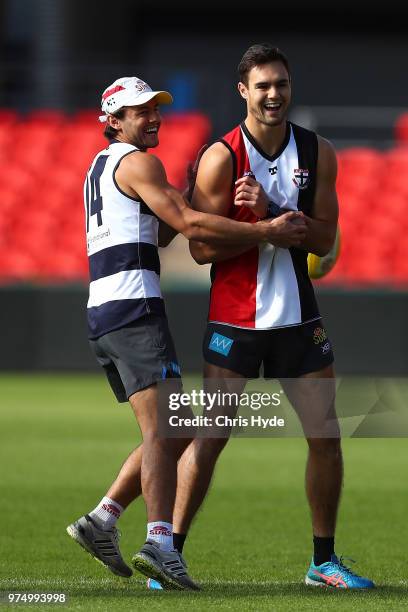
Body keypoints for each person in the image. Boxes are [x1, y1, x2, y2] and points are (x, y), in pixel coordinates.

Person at [66, 76, 303, 590]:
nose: (152, 117)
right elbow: (193, 229)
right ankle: (159, 542)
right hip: (134, 309)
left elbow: (167, 227)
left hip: (105, 312)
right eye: (139, 111)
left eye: (155, 107)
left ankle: (103, 520)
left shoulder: (102, 167)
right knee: (166, 431)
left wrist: (191, 195)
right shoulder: (137, 161)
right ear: (112, 121)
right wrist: (267, 230)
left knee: (175, 428)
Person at [163, 44, 374, 590]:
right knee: (210, 437)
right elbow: (200, 249)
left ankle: (322, 561)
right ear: (243, 91)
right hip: (235, 319)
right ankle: (170, 556)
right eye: (262, 86)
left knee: (327, 438)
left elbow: (326, 238)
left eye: (280, 83)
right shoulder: (220, 157)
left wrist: (275, 213)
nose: (274, 94)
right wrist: (260, 231)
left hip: (300, 320)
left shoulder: (318, 152)